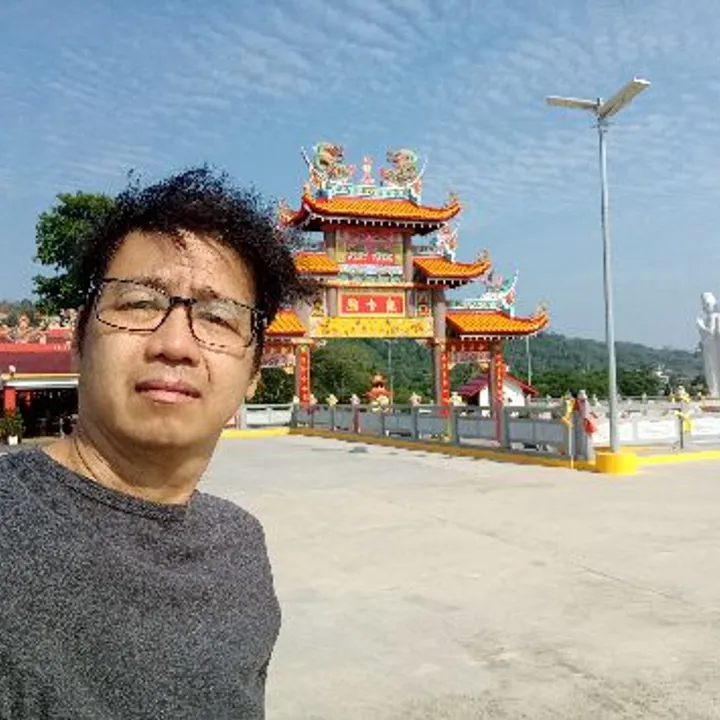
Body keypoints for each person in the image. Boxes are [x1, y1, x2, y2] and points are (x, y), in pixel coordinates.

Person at [0, 167, 311, 719]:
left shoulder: (240, 545)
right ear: (79, 340)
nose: (175, 344)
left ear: (254, 371)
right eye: (139, 303)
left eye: (218, 317)